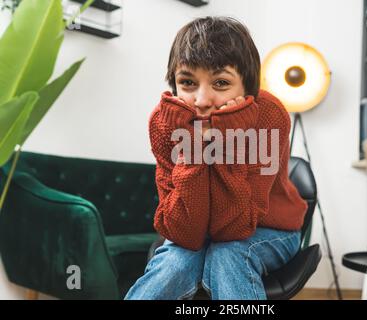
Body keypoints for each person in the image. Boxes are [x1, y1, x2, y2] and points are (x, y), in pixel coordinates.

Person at [125, 16, 308, 300]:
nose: (201, 100)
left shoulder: (270, 117)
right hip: (198, 228)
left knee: (229, 254)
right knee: (174, 263)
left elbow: (236, 228)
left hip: (271, 228)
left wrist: (228, 140)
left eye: (221, 83)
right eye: (187, 82)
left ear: (247, 88)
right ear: (174, 84)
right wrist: (195, 150)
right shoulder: (164, 122)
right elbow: (183, 233)